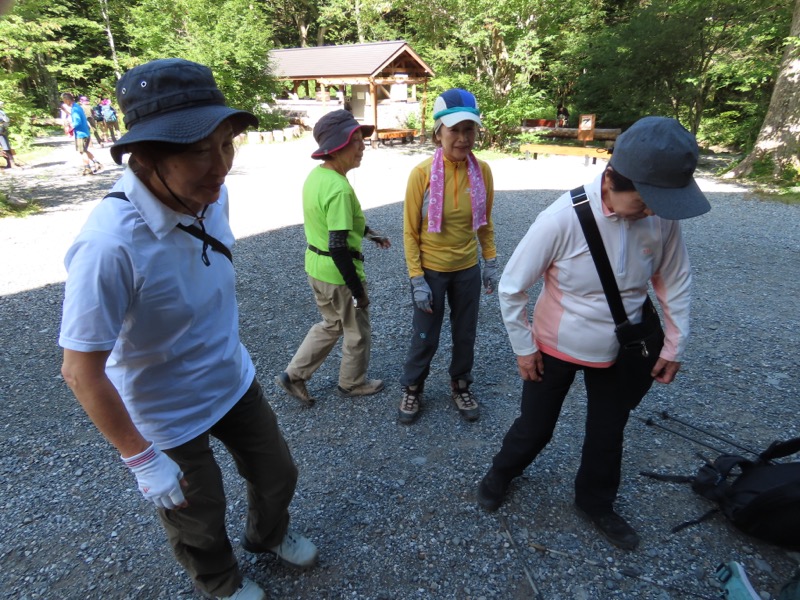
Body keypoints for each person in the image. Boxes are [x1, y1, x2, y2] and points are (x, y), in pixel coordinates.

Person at [59, 58, 317, 600]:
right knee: (197, 518)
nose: (220, 165)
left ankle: (266, 536)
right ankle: (220, 582)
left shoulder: (212, 195)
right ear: (146, 157)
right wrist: (140, 458)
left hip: (231, 378)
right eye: (199, 150)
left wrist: (208, 168)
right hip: (165, 413)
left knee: (278, 475)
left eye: (226, 143)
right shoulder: (109, 246)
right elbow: (80, 371)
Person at [476, 116, 711, 551]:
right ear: (610, 181)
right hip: (556, 345)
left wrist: (675, 344)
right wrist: (524, 348)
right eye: (643, 201)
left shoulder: (660, 216)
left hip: (626, 344)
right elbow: (511, 286)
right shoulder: (560, 219)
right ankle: (501, 473)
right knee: (535, 426)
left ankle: (596, 502)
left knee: (609, 429)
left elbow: (674, 279)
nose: (652, 211)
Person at [275, 109, 389, 406]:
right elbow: (338, 245)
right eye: (356, 141)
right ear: (338, 145)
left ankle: (294, 375)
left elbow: (338, 223)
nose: (363, 146)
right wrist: (357, 290)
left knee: (331, 324)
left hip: (316, 268)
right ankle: (352, 384)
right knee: (357, 331)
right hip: (339, 275)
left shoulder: (318, 177)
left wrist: (371, 233)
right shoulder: (339, 188)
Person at [398, 88, 497, 425]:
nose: (462, 138)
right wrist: (417, 278)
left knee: (465, 332)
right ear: (438, 132)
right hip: (432, 271)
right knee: (425, 333)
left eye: (469, 129)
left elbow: (484, 222)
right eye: (454, 129)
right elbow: (410, 232)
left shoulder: (482, 170)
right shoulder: (421, 175)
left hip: (467, 268)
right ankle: (413, 386)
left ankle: (460, 383)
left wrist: (491, 262)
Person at [60, 92, 102, 175]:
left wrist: (70, 127)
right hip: (85, 132)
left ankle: (87, 168)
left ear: (68, 100)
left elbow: (77, 122)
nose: (64, 102)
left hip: (81, 133)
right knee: (84, 150)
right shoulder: (77, 107)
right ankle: (97, 163)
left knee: (82, 151)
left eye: (64, 100)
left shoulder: (75, 109)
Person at [0, 101, 16, 168]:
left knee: (6, 148)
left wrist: (4, 127)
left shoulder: (1, 113)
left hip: (1, 132)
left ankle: (11, 164)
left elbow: (7, 121)